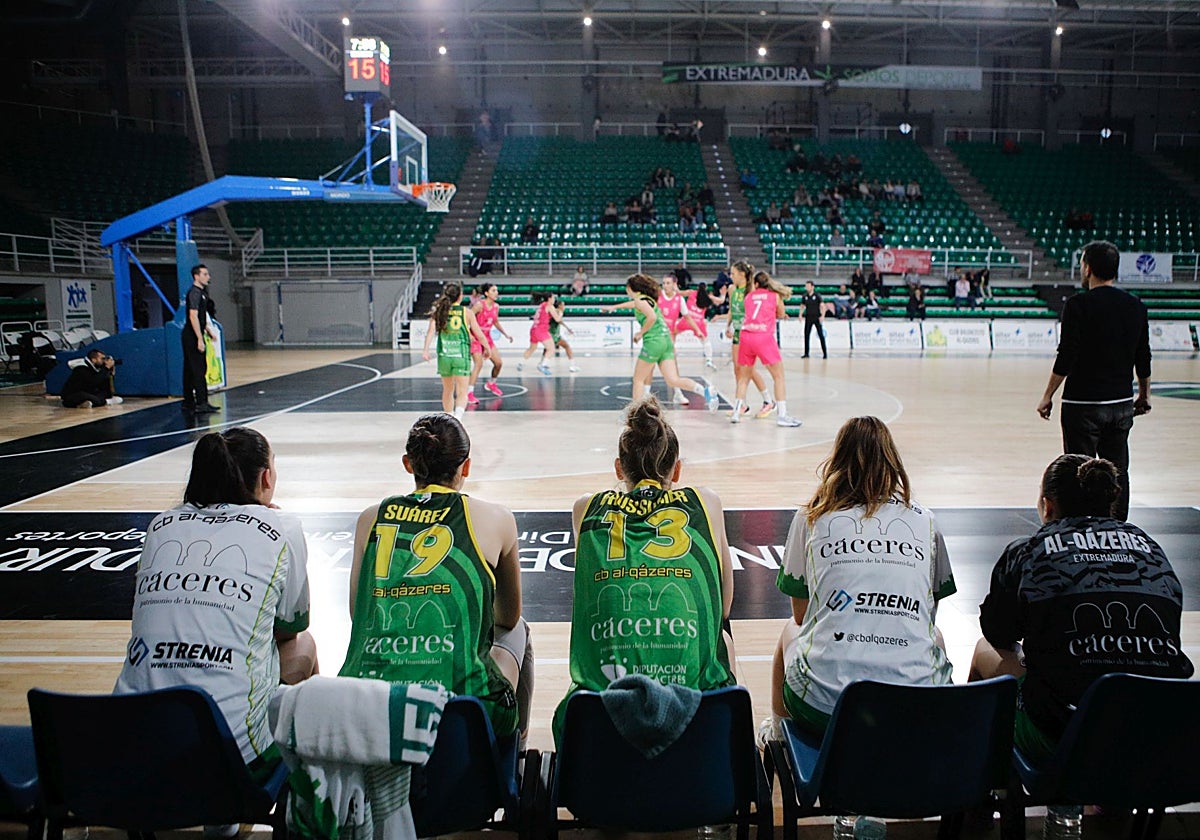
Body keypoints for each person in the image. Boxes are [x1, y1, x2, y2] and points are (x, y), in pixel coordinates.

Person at [115, 427, 318, 777]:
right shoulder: (282, 526)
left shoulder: (160, 524)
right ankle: (311, 777)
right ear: (266, 477)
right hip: (230, 755)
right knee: (304, 644)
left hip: (132, 741)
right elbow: (290, 628)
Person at [970, 454, 1193, 762]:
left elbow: (998, 630)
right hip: (1158, 729)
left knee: (986, 650)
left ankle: (978, 784)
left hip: (1069, 734)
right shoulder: (1150, 547)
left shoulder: (1029, 550)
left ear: (1047, 506)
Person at [341, 413, 533, 742]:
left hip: (365, 701)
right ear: (466, 467)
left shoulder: (370, 518)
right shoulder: (497, 518)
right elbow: (507, 615)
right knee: (518, 630)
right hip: (459, 708)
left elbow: (358, 613)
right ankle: (510, 758)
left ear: (408, 463)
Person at [554, 396, 737, 739]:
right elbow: (724, 607)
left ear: (619, 469)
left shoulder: (585, 508)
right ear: (677, 471)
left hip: (599, 721)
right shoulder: (707, 502)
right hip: (696, 718)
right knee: (722, 634)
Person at [769, 416, 955, 738]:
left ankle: (777, 735)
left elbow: (801, 615)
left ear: (837, 460)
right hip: (920, 703)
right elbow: (928, 612)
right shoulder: (926, 521)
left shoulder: (812, 516)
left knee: (791, 631)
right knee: (934, 636)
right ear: (891, 461)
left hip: (826, 706)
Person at [1036, 241, 1151, 521]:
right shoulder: (1135, 305)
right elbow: (1143, 355)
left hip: (1082, 404)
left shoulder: (1078, 305)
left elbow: (1067, 356)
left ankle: (1081, 529)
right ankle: (1118, 526)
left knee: (1079, 470)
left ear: (1087, 267)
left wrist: (1048, 394)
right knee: (1118, 471)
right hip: (1121, 405)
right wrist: (1144, 395)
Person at [602, 273, 717, 410]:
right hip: (667, 341)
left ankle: (635, 414)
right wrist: (615, 307)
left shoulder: (641, 301)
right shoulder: (648, 299)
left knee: (638, 380)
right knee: (673, 380)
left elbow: (651, 317)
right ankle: (705, 391)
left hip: (654, 342)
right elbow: (634, 304)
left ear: (631, 288)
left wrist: (640, 333)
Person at [730, 272, 802, 428]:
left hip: (746, 336)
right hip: (763, 337)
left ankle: (736, 412)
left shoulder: (748, 296)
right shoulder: (774, 296)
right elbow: (781, 314)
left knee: (743, 377)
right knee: (778, 376)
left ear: (755, 284)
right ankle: (782, 415)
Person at [422, 282, 488, 419]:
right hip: (461, 356)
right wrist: (487, 348)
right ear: (460, 296)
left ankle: (449, 417)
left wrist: (426, 350)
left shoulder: (439, 311)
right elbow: (479, 334)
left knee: (447, 390)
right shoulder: (467, 313)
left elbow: (430, 332)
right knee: (462, 391)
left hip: (444, 356)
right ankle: (457, 418)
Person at [718, 261, 774, 418]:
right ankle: (742, 404)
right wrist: (728, 326)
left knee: (747, 369)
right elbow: (731, 309)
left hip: (748, 332)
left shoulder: (751, 290)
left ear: (742, 275)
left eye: (733, 273)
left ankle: (768, 400)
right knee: (737, 368)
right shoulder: (731, 289)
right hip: (737, 331)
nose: (731, 276)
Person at [182, 263, 218, 414]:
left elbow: (200, 317)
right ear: (196, 276)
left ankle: (189, 401)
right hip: (191, 335)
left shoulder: (202, 293)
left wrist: (207, 329)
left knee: (190, 370)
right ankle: (201, 402)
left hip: (195, 332)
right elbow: (193, 315)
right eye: (204, 274)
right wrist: (199, 338)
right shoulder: (195, 293)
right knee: (198, 369)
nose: (207, 277)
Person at [467, 283, 513, 403]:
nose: (496, 292)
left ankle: (491, 383)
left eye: (497, 290)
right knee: (479, 364)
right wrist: (470, 334)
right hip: (477, 338)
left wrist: (505, 334)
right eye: (493, 290)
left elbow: (495, 321)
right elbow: (466, 319)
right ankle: (469, 393)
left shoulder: (496, 306)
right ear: (486, 293)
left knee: (498, 363)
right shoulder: (479, 306)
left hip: (487, 338)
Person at [519, 291, 563, 376]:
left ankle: (521, 363)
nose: (554, 299)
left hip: (534, 329)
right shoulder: (549, 306)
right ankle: (543, 365)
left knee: (532, 348)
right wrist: (560, 313)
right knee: (551, 348)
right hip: (541, 330)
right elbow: (557, 319)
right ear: (549, 299)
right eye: (553, 298)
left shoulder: (541, 305)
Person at [548, 299, 580, 372]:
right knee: (567, 346)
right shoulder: (558, 311)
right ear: (559, 305)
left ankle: (543, 363)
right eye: (563, 305)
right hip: (553, 334)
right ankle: (572, 366)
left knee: (548, 350)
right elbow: (558, 320)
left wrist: (567, 328)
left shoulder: (555, 311)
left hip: (551, 334)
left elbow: (559, 321)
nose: (564, 307)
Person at [799, 280, 827, 359]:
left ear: (812, 287)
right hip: (808, 317)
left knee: (821, 335)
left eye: (808, 286)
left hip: (816, 317)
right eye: (806, 286)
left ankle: (825, 353)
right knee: (806, 335)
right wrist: (800, 314)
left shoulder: (817, 295)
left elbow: (822, 306)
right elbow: (802, 306)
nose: (807, 287)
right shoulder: (804, 296)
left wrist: (822, 316)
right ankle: (806, 353)